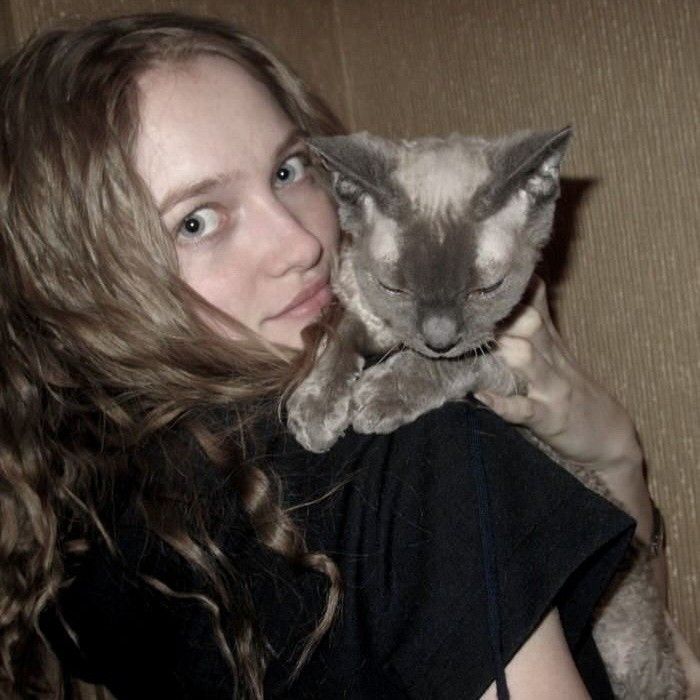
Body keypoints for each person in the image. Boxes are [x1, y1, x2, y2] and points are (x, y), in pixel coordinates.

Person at [0, 11, 696, 700]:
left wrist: (610, 456)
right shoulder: (415, 456)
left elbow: (622, 639)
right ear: (80, 285)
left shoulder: (79, 519)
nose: (300, 244)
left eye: (288, 169)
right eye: (196, 221)